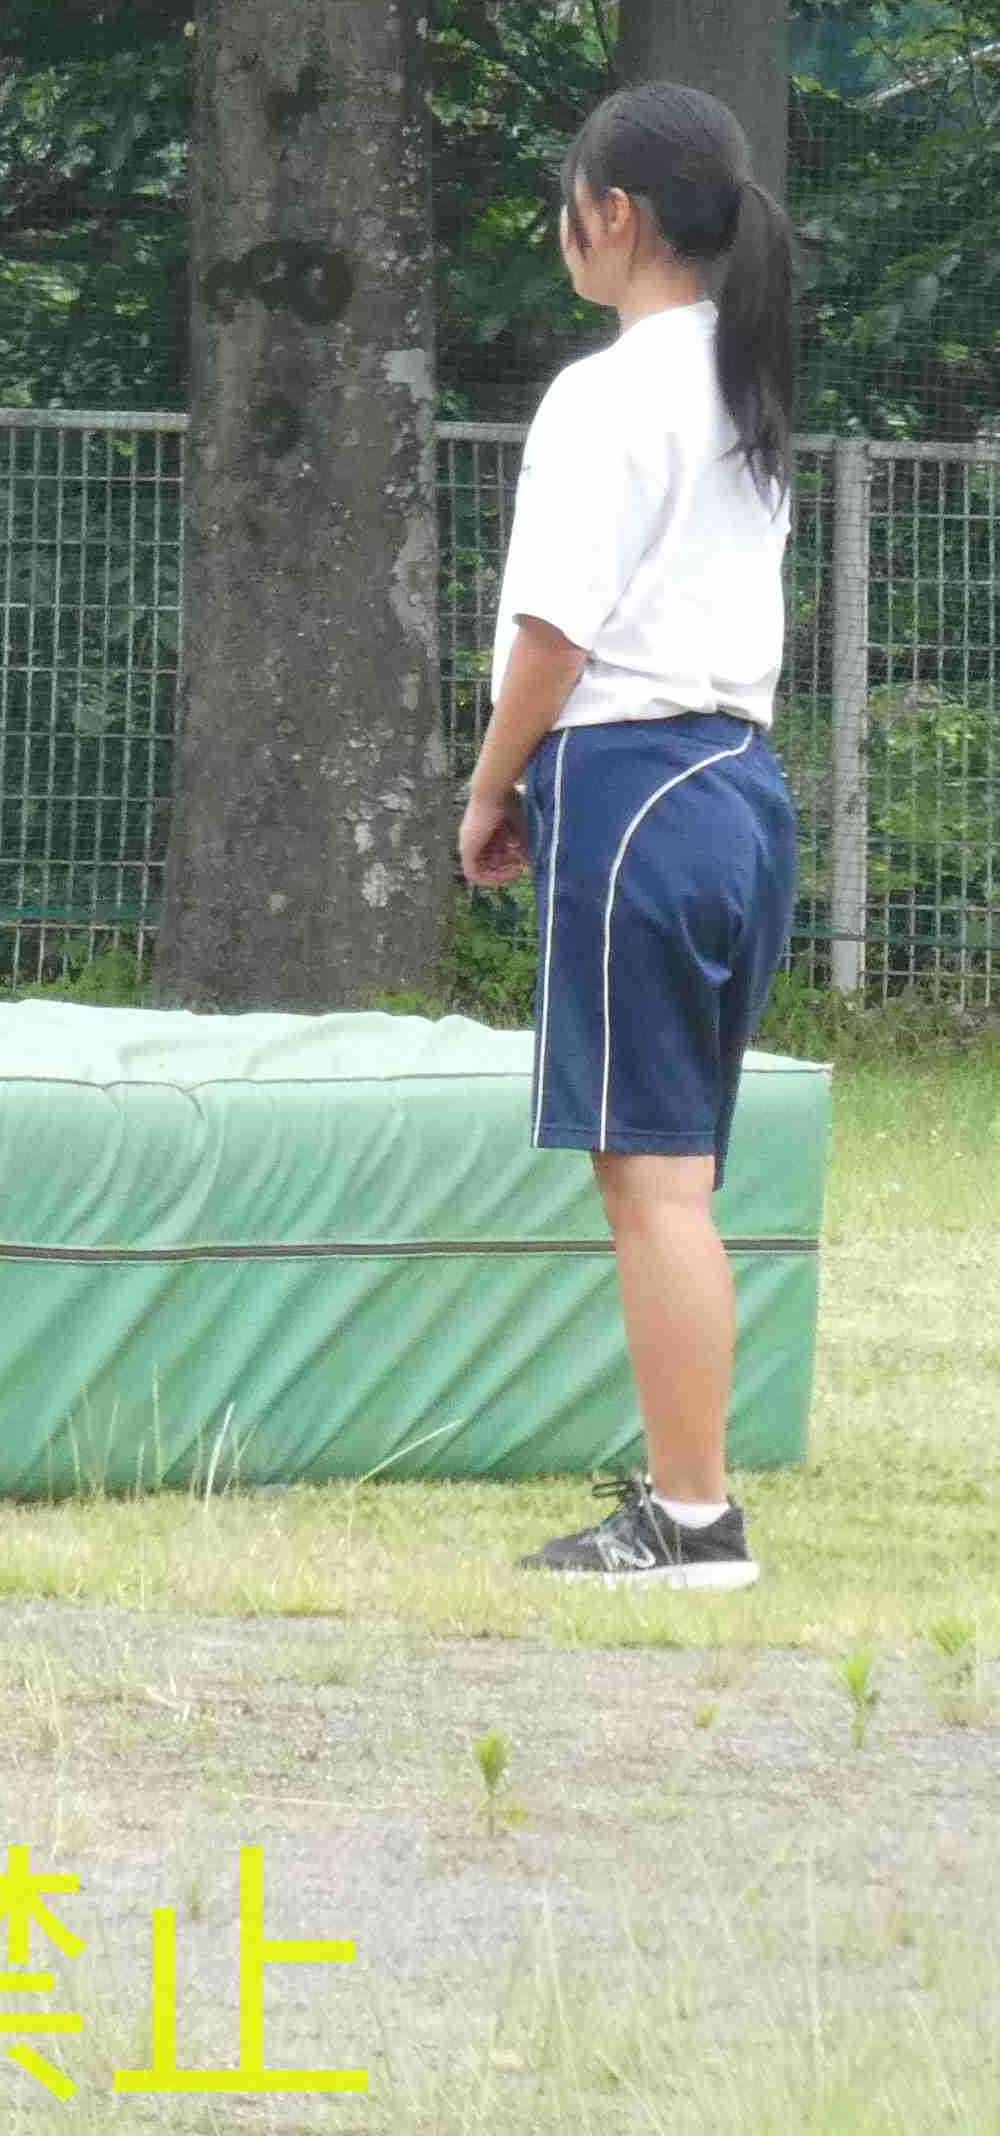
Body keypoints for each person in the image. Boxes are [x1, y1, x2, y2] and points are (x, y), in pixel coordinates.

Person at [453, 81, 804, 1591]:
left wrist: (491, 787)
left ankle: (692, 1518)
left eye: (568, 205)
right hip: (740, 784)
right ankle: (688, 1501)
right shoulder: (743, 379)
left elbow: (555, 631)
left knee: (650, 1183)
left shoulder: (604, 396)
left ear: (611, 216)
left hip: (634, 779)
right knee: (682, 1177)